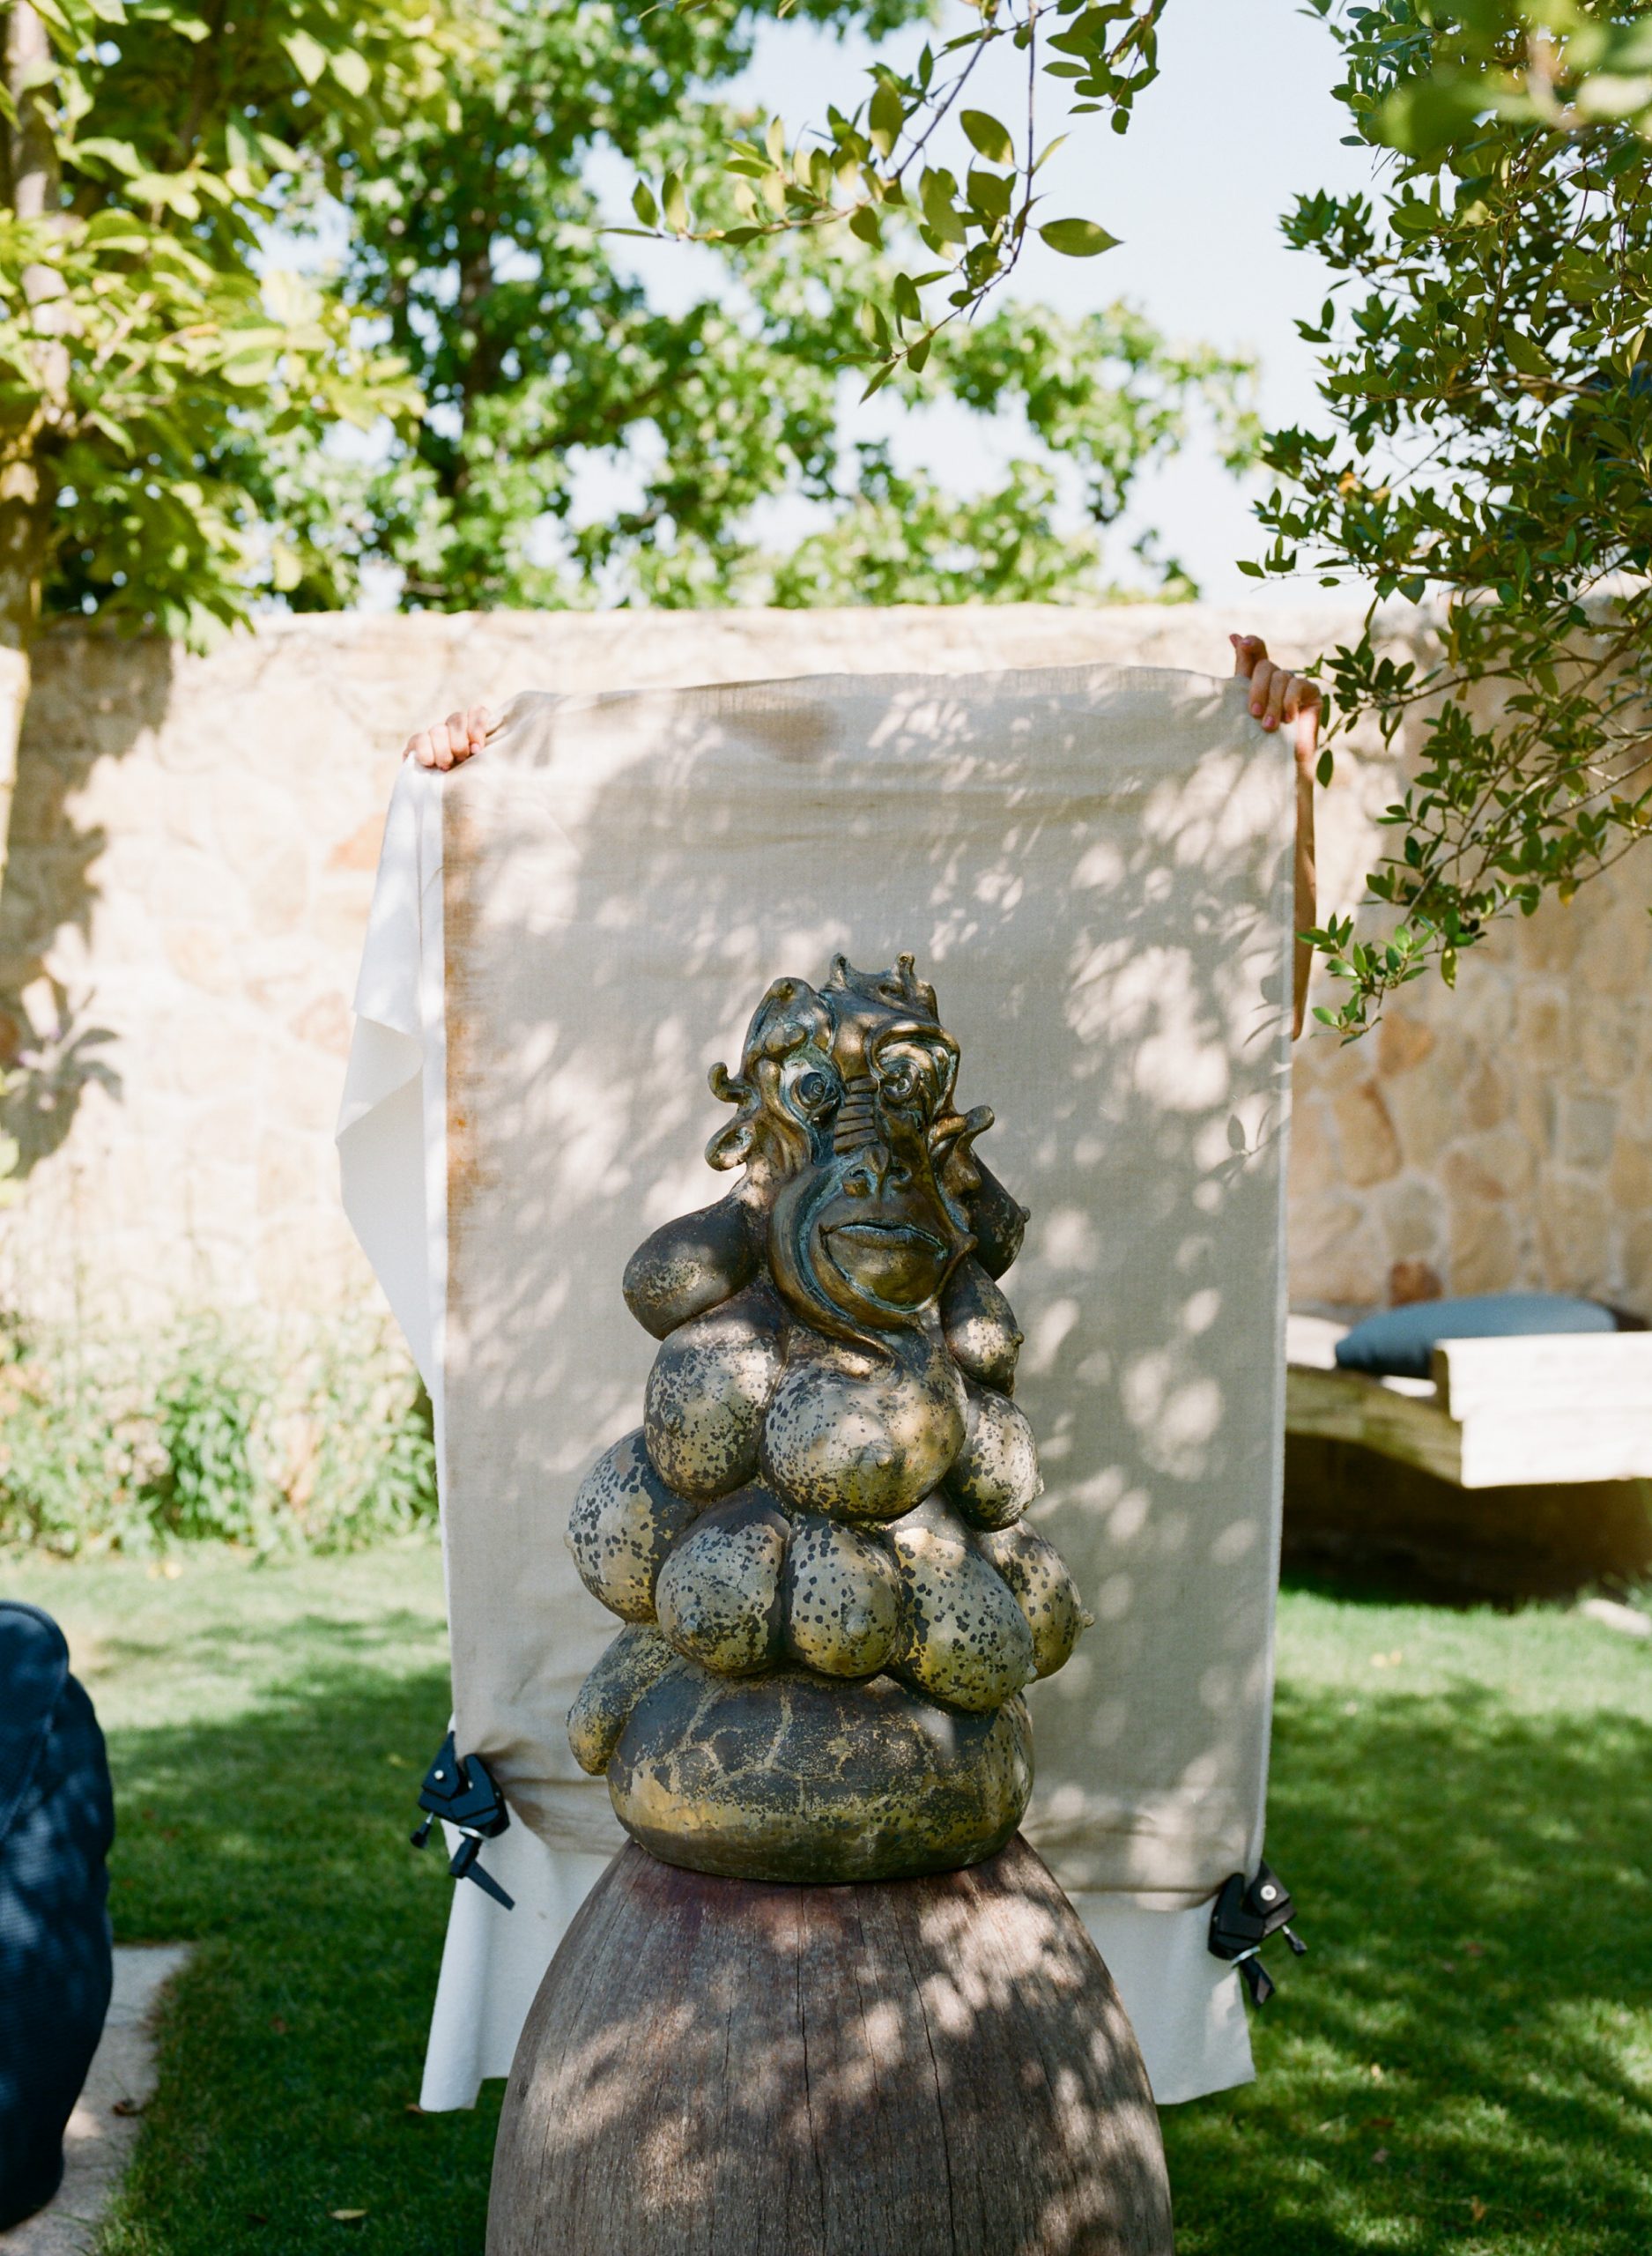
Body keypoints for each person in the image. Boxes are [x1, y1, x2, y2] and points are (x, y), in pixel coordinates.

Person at [399, 633, 1322, 1032]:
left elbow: (1263, 1009)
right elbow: (496, 1011)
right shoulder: (718, 1004)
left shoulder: (1033, 984)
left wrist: (1282, 776)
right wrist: (461, 803)